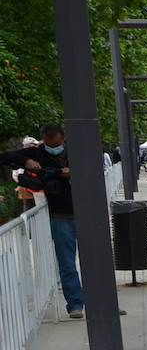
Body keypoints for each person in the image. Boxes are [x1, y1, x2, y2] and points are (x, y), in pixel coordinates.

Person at [1, 123, 84, 317]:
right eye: (48, 144)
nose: (52, 147)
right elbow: (5, 157)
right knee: (67, 263)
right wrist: (27, 161)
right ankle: (75, 304)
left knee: (95, 260)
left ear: (63, 138)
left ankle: (99, 299)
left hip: (87, 213)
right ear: (43, 140)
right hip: (60, 215)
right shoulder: (39, 153)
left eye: (55, 143)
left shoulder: (78, 150)